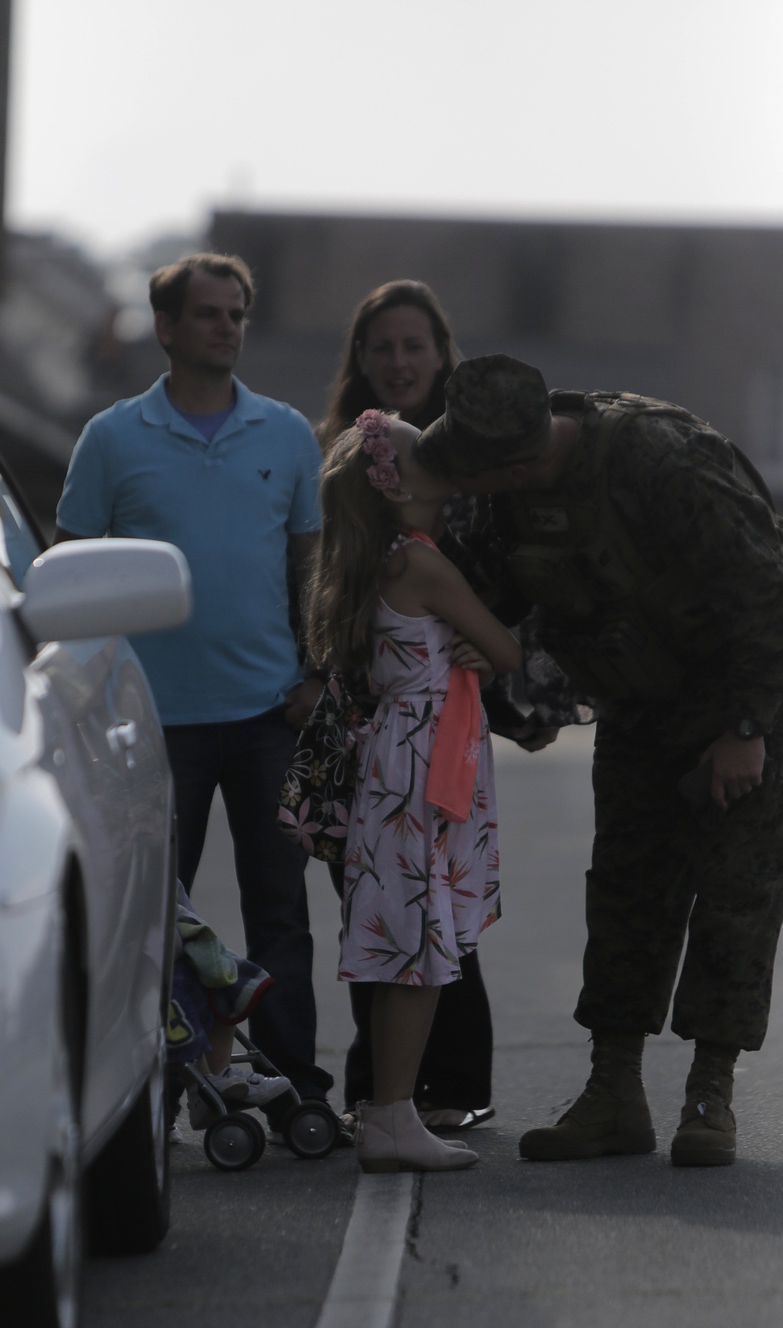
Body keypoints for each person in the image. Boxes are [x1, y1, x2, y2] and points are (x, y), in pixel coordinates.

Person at [414, 354, 783, 1167]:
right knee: (626, 891)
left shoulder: (663, 461)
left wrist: (747, 729)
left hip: (749, 699)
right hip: (643, 703)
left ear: (520, 461)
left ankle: (710, 1093)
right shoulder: (509, 494)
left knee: (736, 898)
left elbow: (771, 605)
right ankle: (614, 1094)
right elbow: (499, 587)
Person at [54, 251, 335, 1122]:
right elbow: (68, 570)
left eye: (238, 313)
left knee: (280, 913)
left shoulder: (286, 435)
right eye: (209, 313)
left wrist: (315, 676)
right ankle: (165, 1090)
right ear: (167, 328)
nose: (228, 327)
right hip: (149, 724)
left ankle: (290, 1086)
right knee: (147, 921)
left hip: (265, 717)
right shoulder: (112, 439)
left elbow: (313, 566)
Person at [318, 280, 565, 1134]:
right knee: (422, 926)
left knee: (402, 922)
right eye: (381, 346)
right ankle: (390, 1101)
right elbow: (501, 642)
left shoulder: (367, 538)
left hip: (396, 732)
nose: (398, 361)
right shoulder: (412, 544)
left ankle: (411, 1092)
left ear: (439, 352)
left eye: (413, 345)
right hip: (421, 750)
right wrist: (479, 633)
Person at [305, 409, 524, 1172]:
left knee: (413, 946)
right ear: (395, 488)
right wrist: (486, 648)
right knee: (421, 952)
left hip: (399, 761)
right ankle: (393, 1116)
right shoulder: (422, 565)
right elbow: (503, 646)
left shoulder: (382, 563)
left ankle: (389, 1112)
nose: (429, 445)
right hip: (422, 771)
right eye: (411, 445)